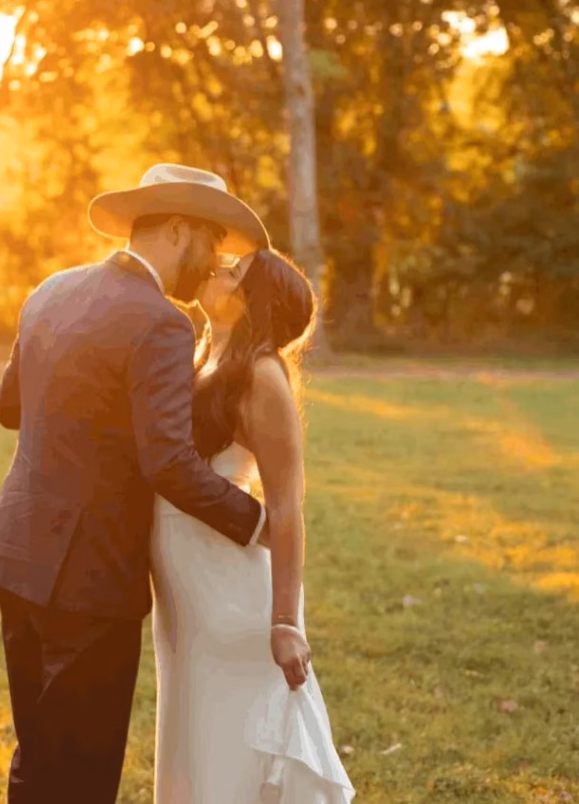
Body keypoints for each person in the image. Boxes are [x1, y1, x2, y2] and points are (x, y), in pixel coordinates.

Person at [0, 163, 277, 802]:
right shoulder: (163, 322)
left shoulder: (51, 290)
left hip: (17, 556)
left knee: (38, 757)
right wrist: (256, 522)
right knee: (81, 777)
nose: (212, 263)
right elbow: (167, 461)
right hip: (91, 579)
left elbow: (9, 406)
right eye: (210, 245)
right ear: (175, 229)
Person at [152, 247, 355, 803]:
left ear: (252, 302)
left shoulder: (262, 376)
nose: (215, 270)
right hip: (187, 595)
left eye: (232, 272)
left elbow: (288, 508)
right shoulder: (203, 357)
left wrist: (285, 621)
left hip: (232, 599)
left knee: (229, 748)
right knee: (192, 738)